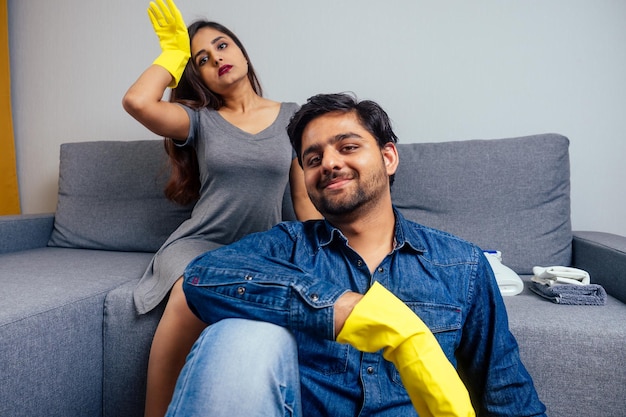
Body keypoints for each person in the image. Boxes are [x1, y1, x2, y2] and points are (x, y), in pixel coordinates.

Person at [164, 93, 547, 416]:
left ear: (388, 157)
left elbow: (508, 392)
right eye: (312, 159)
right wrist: (345, 310)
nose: (329, 163)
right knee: (239, 333)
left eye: (348, 147)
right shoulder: (286, 246)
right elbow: (201, 276)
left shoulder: (462, 266)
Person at [122, 0, 320, 415]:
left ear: (243, 53)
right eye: (203, 59)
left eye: (223, 46)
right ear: (200, 77)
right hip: (202, 243)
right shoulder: (199, 120)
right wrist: (172, 55)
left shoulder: (293, 117)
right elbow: (138, 103)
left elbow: (303, 199)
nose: (218, 59)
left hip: (260, 248)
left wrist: (327, 254)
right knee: (188, 291)